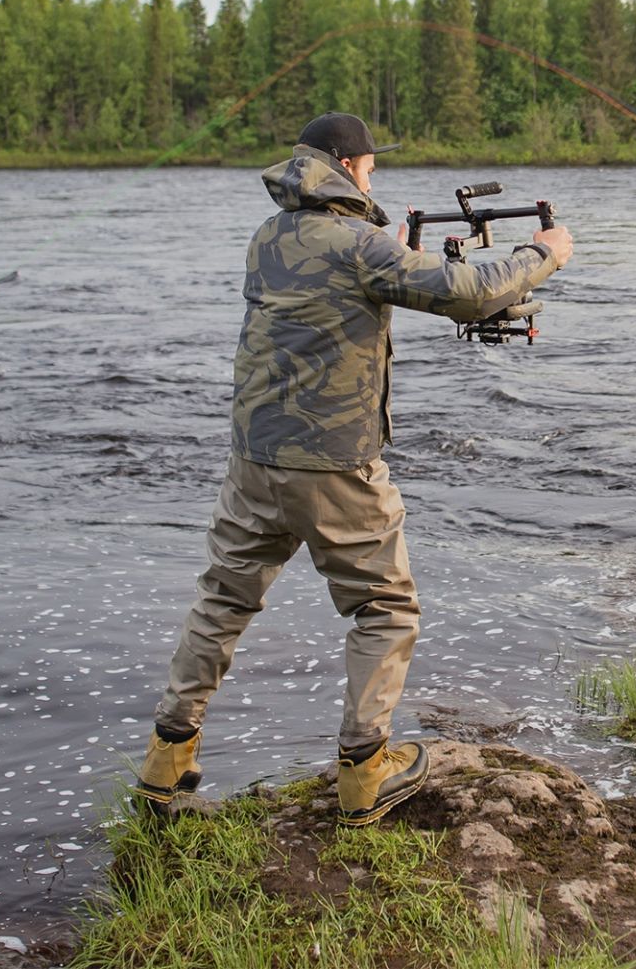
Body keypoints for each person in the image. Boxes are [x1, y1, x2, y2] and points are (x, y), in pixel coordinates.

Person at [135, 112, 574, 827]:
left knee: (222, 600)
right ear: (346, 166)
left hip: (254, 456)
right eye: (369, 167)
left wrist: (386, 251)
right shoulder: (359, 246)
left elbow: (335, 286)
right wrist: (544, 250)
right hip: (334, 464)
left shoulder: (269, 238)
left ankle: (165, 764)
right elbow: (468, 291)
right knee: (386, 606)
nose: (373, 175)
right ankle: (365, 772)